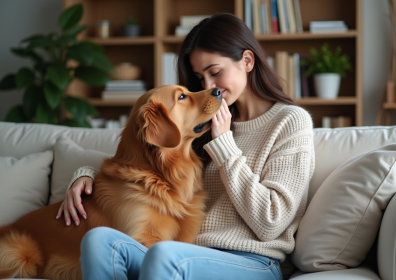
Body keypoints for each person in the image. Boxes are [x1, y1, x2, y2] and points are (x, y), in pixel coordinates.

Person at [56, 13, 315, 280]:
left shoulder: (290, 122)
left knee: (163, 254)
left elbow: (271, 222)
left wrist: (224, 145)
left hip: (254, 261)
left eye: (215, 72)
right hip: (188, 253)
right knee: (98, 240)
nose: (209, 86)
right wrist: (86, 175)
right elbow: (144, 162)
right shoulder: (204, 121)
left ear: (247, 61)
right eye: (200, 78)